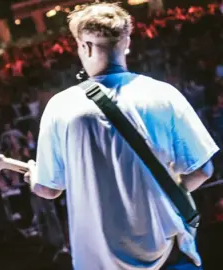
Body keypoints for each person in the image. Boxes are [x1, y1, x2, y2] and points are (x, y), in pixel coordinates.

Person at [24, 3, 219, 270]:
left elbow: (48, 188)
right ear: (126, 42)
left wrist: (33, 175)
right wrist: (164, 195)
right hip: (168, 254)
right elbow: (203, 170)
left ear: (86, 46)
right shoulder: (162, 94)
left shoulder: (61, 107)